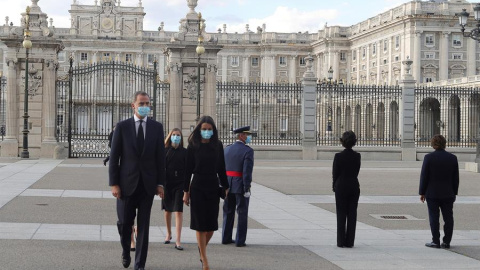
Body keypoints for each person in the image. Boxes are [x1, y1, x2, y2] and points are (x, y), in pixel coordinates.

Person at [109, 91, 166, 270]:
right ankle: (126, 250)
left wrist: (160, 183)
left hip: (147, 186)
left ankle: (139, 264)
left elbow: (160, 158)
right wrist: (114, 183)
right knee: (125, 223)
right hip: (126, 185)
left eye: (147, 103)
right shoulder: (122, 127)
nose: (144, 107)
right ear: (133, 105)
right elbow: (114, 156)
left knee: (143, 226)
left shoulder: (157, 127)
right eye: (141, 103)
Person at [183, 115, 229, 270]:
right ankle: (204, 258)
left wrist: (226, 186)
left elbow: (222, 169)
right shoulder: (193, 145)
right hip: (197, 186)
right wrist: (185, 191)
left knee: (211, 226)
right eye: (204, 129)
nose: (207, 132)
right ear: (199, 129)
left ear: (213, 130)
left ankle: (201, 248)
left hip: (213, 186)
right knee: (200, 225)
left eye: (209, 129)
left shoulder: (218, 145)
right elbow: (187, 170)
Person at [419, 134, 459, 249]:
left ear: (433, 144)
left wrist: (422, 192)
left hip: (432, 193)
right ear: (444, 143)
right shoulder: (452, 158)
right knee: (448, 218)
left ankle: (435, 241)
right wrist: (454, 192)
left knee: (434, 217)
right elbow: (455, 178)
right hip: (448, 193)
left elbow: (424, 176)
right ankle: (447, 241)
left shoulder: (428, 158)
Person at [222, 126, 254, 247]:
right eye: (247, 135)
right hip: (240, 184)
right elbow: (247, 172)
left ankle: (226, 237)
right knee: (242, 212)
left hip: (228, 184)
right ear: (241, 136)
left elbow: (222, 168)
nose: (248, 137)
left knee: (228, 211)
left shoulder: (227, 149)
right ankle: (240, 240)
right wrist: (247, 187)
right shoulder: (248, 151)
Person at [332, 131, 361, 248]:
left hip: (341, 186)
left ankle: (340, 241)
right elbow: (356, 171)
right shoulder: (357, 156)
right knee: (352, 214)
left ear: (342, 142)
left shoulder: (338, 156)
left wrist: (334, 185)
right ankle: (350, 242)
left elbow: (335, 173)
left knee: (341, 214)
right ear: (354, 142)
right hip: (354, 186)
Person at [162, 128, 187, 250]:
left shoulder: (184, 152)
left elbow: (188, 171)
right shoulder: (165, 150)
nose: (176, 137)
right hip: (168, 183)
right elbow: (160, 168)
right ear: (170, 136)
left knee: (178, 210)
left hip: (180, 184)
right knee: (167, 211)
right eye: (174, 135)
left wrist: (187, 189)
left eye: (178, 135)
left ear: (181, 138)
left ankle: (178, 239)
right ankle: (168, 233)